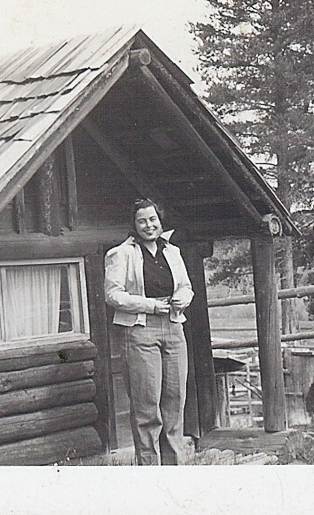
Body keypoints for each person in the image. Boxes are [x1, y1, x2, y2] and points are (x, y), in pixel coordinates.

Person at [104, 198, 193, 465]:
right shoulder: (121, 253)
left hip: (175, 328)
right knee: (147, 408)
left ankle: (175, 472)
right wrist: (151, 306)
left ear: (160, 220)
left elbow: (186, 286)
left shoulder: (172, 251)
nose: (148, 225)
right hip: (140, 330)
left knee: (175, 403)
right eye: (142, 221)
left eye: (152, 219)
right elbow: (113, 295)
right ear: (133, 224)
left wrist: (183, 298)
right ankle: (149, 474)